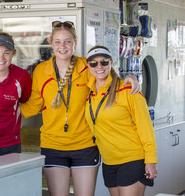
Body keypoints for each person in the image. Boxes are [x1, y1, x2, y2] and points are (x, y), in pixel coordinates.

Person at [20, 21, 140, 196]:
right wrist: (7, 109)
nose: (63, 46)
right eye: (58, 42)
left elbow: (106, 82)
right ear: (51, 43)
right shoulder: (40, 71)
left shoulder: (85, 66)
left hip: (85, 145)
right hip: (53, 145)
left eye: (67, 41)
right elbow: (34, 105)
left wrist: (129, 77)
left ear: (74, 43)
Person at [85, 45, 157, 196]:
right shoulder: (90, 95)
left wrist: (151, 160)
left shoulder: (128, 90)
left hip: (132, 159)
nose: (99, 66)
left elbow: (146, 128)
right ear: (88, 66)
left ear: (111, 63)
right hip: (109, 162)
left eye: (104, 62)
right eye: (93, 63)